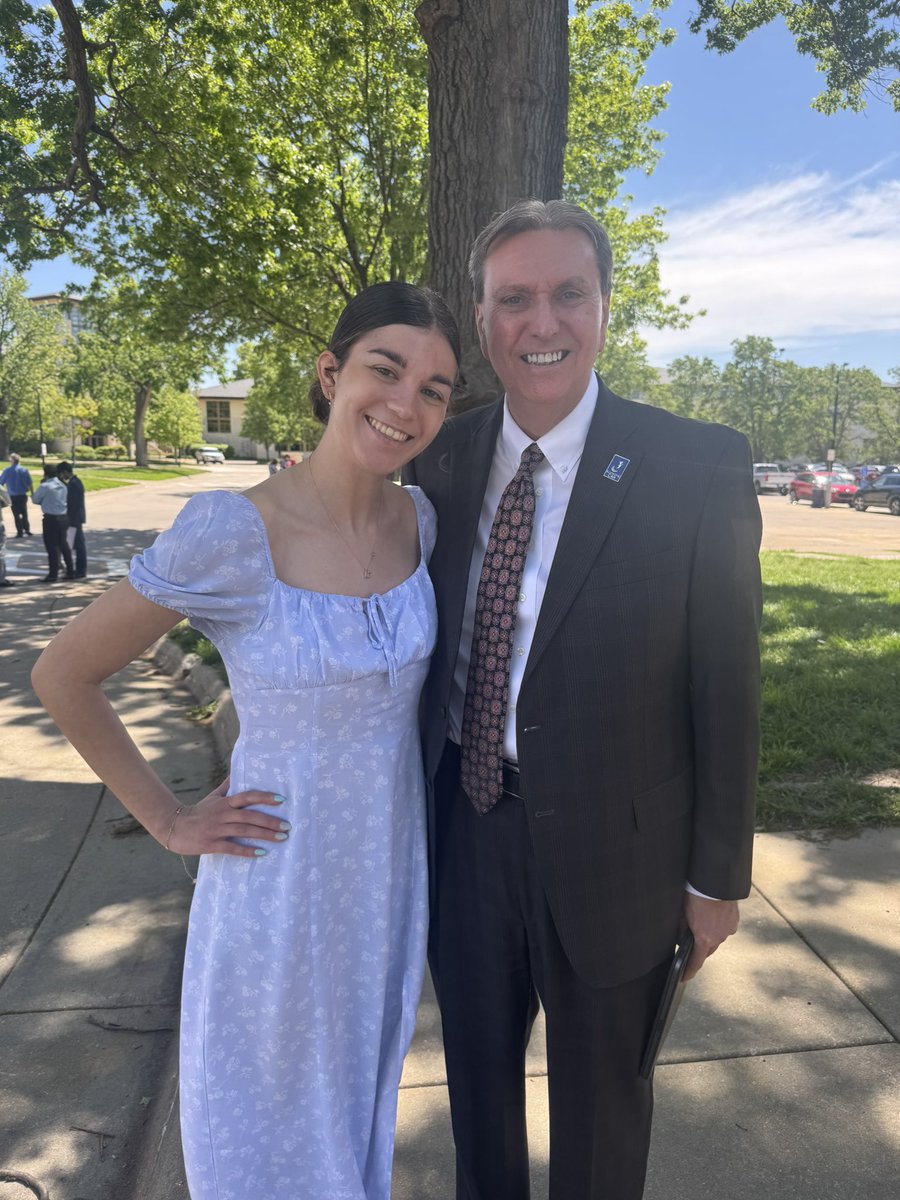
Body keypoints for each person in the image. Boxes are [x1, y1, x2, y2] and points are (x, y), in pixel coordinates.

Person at [32, 281, 461, 1200]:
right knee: (267, 1128)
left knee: (355, 1102)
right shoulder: (232, 529)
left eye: (434, 388)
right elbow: (63, 675)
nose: (406, 403)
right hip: (278, 882)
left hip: (387, 879)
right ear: (330, 372)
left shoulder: (420, 521)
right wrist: (170, 820)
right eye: (385, 370)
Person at [403, 200, 762, 1200]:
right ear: (482, 322)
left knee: (604, 1125)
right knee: (478, 1108)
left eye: (568, 293)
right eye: (514, 299)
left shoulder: (699, 464)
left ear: (607, 308)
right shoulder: (441, 458)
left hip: (626, 860)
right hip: (468, 838)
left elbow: (728, 685)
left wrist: (716, 877)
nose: (541, 322)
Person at [32, 464, 75, 583]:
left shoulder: (45, 486)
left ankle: (53, 574)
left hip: (50, 518)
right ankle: (70, 571)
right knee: (63, 545)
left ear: (45, 473)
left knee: (52, 547)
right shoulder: (62, 485)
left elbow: (35, 499)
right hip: (63, 517)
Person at [56, 461, 87, 579]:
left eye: (61, 474)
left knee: (78, 546)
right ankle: (75, 569)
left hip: (74, 519)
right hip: (75, 518)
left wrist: (68, 519)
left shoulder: (73, 484)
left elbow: (73, 504)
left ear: (64, 472)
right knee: (72, 544)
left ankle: (80, 570)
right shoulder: (75, 482)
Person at [0, 452, 34, 537]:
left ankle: (20, 532)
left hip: (12, 495)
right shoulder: (24, 470)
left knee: (16, 515)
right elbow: (29, 484)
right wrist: (32, 493)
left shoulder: (7, 471)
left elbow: (1, 483)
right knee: (24, 513)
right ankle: (27, 529)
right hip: (22, 495)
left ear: (12, 461)